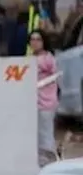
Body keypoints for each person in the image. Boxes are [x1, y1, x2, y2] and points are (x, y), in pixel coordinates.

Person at [31, 29, 59, 165]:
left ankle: (50, 164)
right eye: (32, 39)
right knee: (40, 136)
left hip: (46, 104)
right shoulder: (31, 59)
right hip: (35, 104)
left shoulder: (47, 59)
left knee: (45, 135)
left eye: (38, 39)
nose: (35, 42)